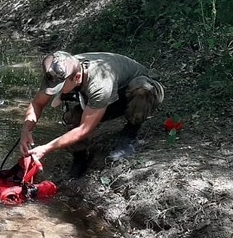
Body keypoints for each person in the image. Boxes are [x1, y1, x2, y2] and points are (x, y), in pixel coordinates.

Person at [19, 51, 165, 179]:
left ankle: (129, 135)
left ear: (77, 77)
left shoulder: (100, 83)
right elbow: (37, 104)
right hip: (109, 94)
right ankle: (80, 159)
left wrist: (46, 148)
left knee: (142, 91)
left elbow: (84, 129)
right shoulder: (57, 71)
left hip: (142, 91)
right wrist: (26, 130)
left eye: (60, 87)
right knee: (72, 117)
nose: (55, 90)